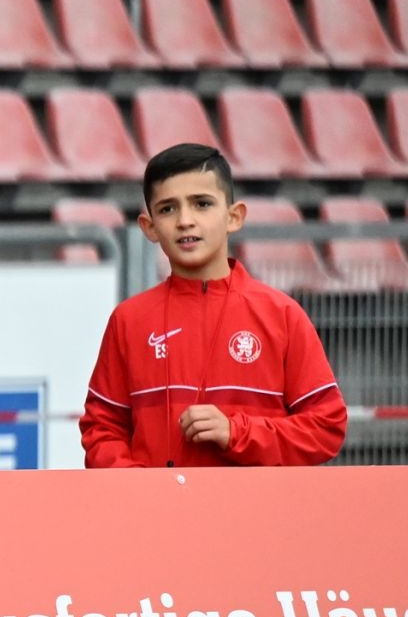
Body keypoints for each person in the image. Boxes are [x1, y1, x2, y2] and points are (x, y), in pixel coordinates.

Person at [80, 144, 347, 468]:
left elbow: (326, 426)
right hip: (156, 503)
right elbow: (101, 428)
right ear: (150, 227)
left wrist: (236, 432)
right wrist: (140, 485)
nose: (185, 221)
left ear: (234, 217)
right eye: (167, 209)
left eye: (202, 204)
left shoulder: (282, 315)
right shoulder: (129, 320)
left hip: (253, 503)